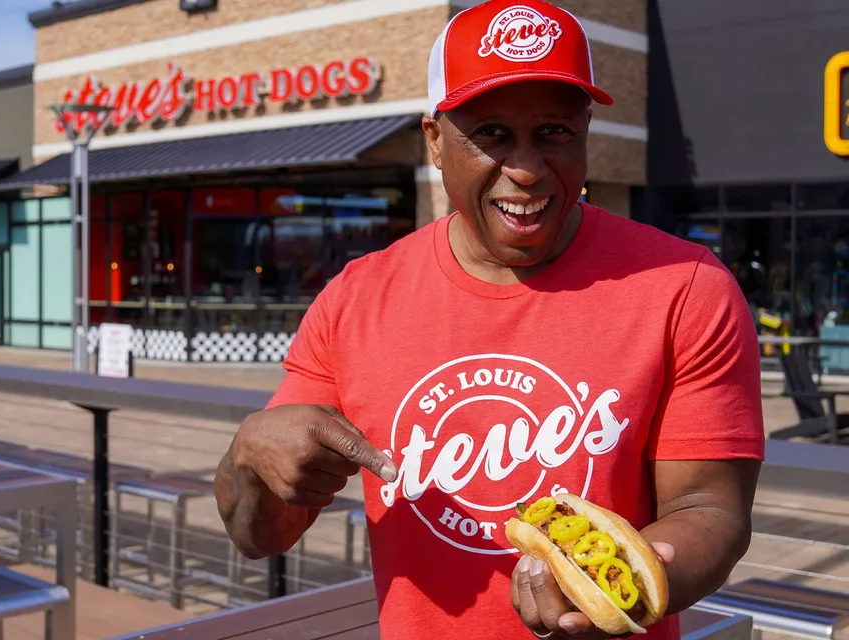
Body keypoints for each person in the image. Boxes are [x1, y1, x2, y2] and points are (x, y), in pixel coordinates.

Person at [213, 1, 765, 638]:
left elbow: (709, 509)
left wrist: (625, 585)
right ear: (435, 142)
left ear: (587, 131)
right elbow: (259, 536)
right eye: (492, 133)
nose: (526, 170)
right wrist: (249, 454)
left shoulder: (686, 288)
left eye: (555, 131)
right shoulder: (354, 301)